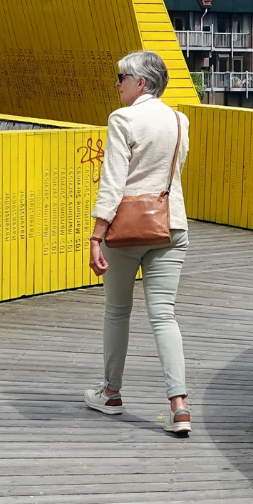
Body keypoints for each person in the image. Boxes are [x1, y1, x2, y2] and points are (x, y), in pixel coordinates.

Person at [85, 50, 193, 436]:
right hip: (172, 225)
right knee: (164, 314)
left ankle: (111, 394)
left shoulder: (123, 119)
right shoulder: (180, 120)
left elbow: (113, 181)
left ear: (141, 82)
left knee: (117, 310)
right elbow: (174, 174)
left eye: (121, 78)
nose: (117, 84)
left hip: (127, 229)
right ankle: (179, 406)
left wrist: (97, 235)